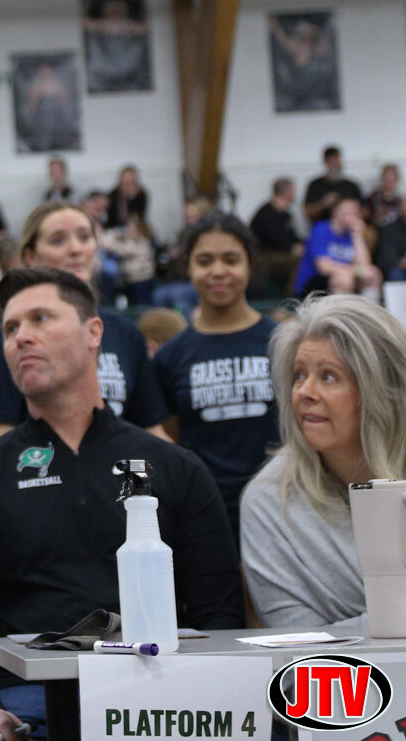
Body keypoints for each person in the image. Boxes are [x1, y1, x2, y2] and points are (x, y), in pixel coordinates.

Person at [0, 268, 243, 741]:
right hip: (28, 701)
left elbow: (220, 617)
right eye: (10, 328)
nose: (21, 337)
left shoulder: (173, 466)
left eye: (40, 318)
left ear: (94, 332)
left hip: (156, 699)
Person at [239, 294, 406, 626]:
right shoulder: (269, 500)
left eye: (328, 376)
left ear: (379, 390)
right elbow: (299, 642)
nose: (305, 392)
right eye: (299, 375)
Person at [0, 201, 168, 445]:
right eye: (58, 241)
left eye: (85, 237)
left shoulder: (126, 332)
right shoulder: (15, 334)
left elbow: (152, 433)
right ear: (30, 257)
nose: (75, 249)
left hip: (121, 467)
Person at [152, 214, 277, 535]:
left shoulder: (282, 344)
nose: (218, 271)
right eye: (205, 261)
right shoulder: (170, 358)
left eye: (231, 260)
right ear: (188, 268)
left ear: (249, 265)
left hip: (280, 510)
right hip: (205, 516)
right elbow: (173, 442)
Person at [294, 197, 383, 299]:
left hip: (346, 278)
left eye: (355, 210)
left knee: (373, 275)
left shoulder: (350, 233)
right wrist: (357, 270)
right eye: (349, 210)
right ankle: (342, 310)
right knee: (344, 277)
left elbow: (364, 266)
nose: (353, 214)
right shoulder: (321, 229)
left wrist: (357, 235)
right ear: (336, 212)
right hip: (313, 284)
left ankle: (367, 308)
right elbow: (324, 267)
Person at [250, 178, 304, 296]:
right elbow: (273, 239)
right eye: (293, 191)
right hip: (264, 256)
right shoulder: (266, 212)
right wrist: (292, 248)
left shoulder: (286, 214)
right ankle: (290, 298)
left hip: (279, 253)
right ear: (287, 192)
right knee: (299, 261)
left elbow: (292, 236)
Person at [303, 146, 363, 225]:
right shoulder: (315, 185)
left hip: (348, 227)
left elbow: (365, 211)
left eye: (337, 160)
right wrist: (323, 204)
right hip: (322, 227)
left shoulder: (351, 186)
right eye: (332, 161)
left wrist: (352, 208)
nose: (336, 164)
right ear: (326, 162)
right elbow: (307, 212)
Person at [366, 163, 401, 229]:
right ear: (382, 179)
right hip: (378, 230)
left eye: (392, 179)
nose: (389, 182)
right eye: (387, 179)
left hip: (395, 232)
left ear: (396, 180)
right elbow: (368, 218)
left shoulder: (400, 201)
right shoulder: (374, 198)